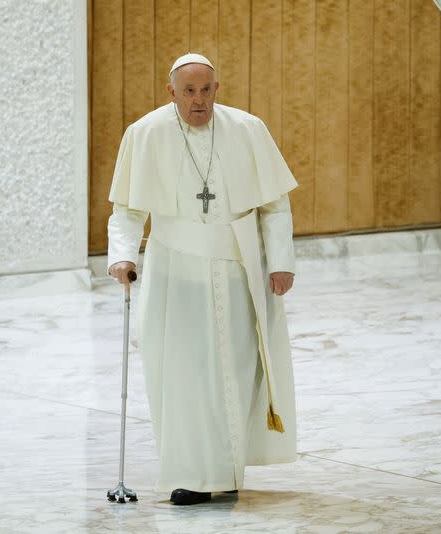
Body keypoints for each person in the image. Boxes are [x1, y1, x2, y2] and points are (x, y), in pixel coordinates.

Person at [107, 53, 298, 506]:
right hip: (174, 273)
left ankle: (227, 471)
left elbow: (274, 205)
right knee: (181, 375)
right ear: (171, 92)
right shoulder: (145, 133)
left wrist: (281, 262)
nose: (199, 101)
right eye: (189, 91)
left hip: (236, 270)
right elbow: (128, 211)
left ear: (217, 89)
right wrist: (122, 257)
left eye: (206, 90)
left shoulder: (248, 130)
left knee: (233, 372)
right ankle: (189, 476)